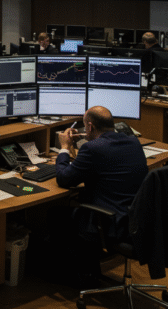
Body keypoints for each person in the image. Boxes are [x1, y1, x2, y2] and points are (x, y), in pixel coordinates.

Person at [54, 106, 148, 284]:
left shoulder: (92, 148)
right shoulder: (133, 142)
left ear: (90, 127)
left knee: (58, 214)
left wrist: (65, 148)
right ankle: (89, 271)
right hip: (137, 220)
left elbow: (63, 179)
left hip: (113, 224)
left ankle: (81, 277)